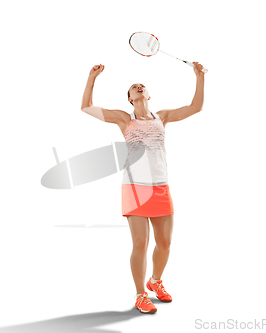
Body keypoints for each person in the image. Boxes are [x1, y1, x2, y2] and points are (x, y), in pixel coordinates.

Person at [80, 62, 205, 314]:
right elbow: (86, 107)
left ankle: (155, 281)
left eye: (142, 86)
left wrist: (199, 76)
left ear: (148, 95)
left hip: (160, 186)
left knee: (165, 243)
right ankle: (140, 295)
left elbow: (195, 107)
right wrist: (92, 77)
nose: (138, 87)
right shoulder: (124, 119)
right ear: (130, 98)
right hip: (135, 187)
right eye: (133, 88)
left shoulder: (164, 117)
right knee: (140, 243)